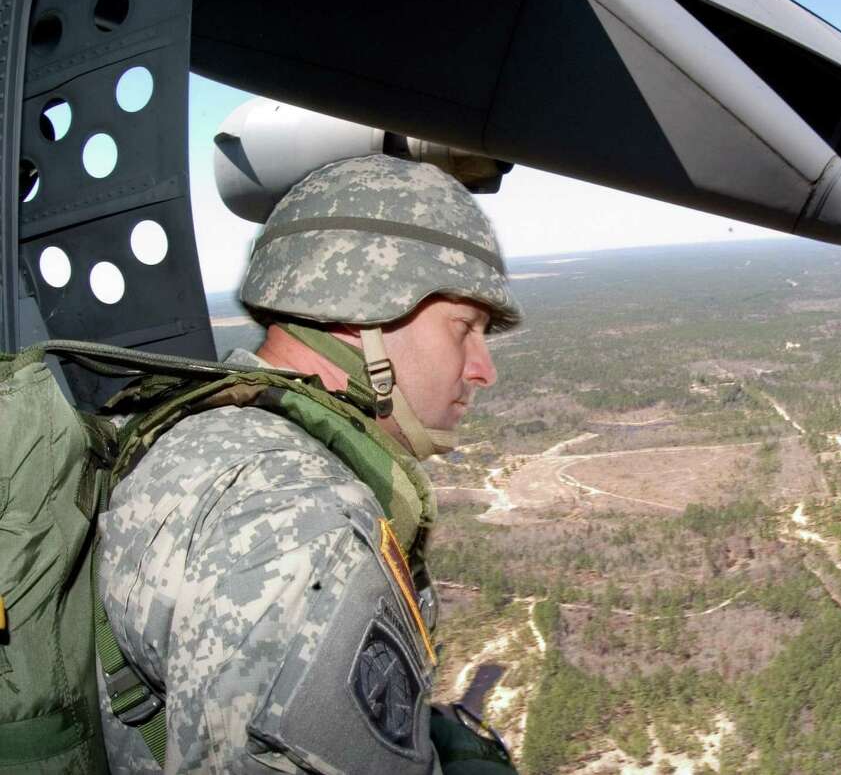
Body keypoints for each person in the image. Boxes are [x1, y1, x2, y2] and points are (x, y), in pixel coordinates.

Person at [95, 154, 521, 773]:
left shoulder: (213, 434)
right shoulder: (303, 523)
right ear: (359, 314)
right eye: (464, 327)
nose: (484, 368)